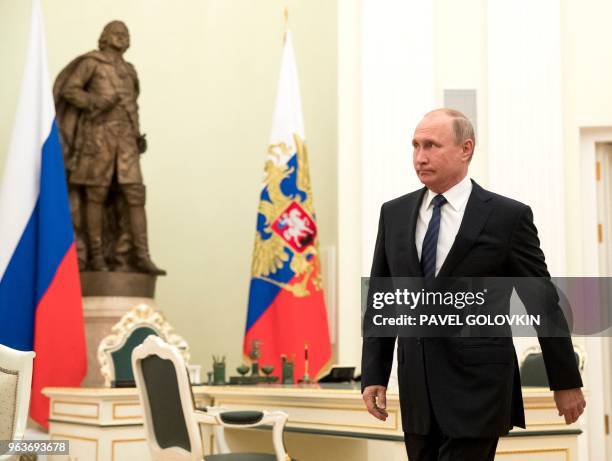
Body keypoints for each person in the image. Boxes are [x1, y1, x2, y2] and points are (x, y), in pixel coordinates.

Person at [360, 109, 585, 460]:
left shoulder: (507, 217)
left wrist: (565, 379)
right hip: (418, 391)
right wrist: (374, 371)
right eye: (416, 146)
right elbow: (384, 299)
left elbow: (541, 301)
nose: (420, 157)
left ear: (466, 149)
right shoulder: (394, 213)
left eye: (432, 146)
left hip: (478, 389)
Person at [54, 21, 164, 275]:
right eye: (117, 33)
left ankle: (141, 255)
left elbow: (133, 108)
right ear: (104, 37)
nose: (122, 37)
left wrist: (136, 136)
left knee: (135, 195)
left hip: (126, 142)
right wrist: (96, 102)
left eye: (126, 34)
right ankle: (96, 257)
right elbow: (70, 90)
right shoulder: (91, 63)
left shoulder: (130, 71)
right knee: (97, 195)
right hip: (98, 138)